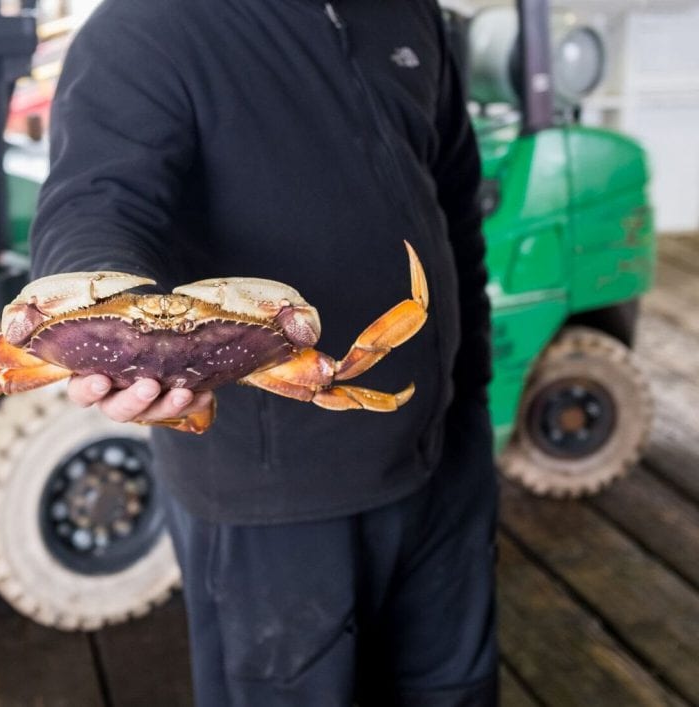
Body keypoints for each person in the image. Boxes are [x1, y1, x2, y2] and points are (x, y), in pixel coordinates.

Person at [30, 0, 497, 704]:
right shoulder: (143, 28)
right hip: (276, 500)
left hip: (445, 455)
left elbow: (455, 204)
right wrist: (106, 308)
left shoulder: (412, 14)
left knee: (455, 688)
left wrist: (474, 391)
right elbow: (95, 201)